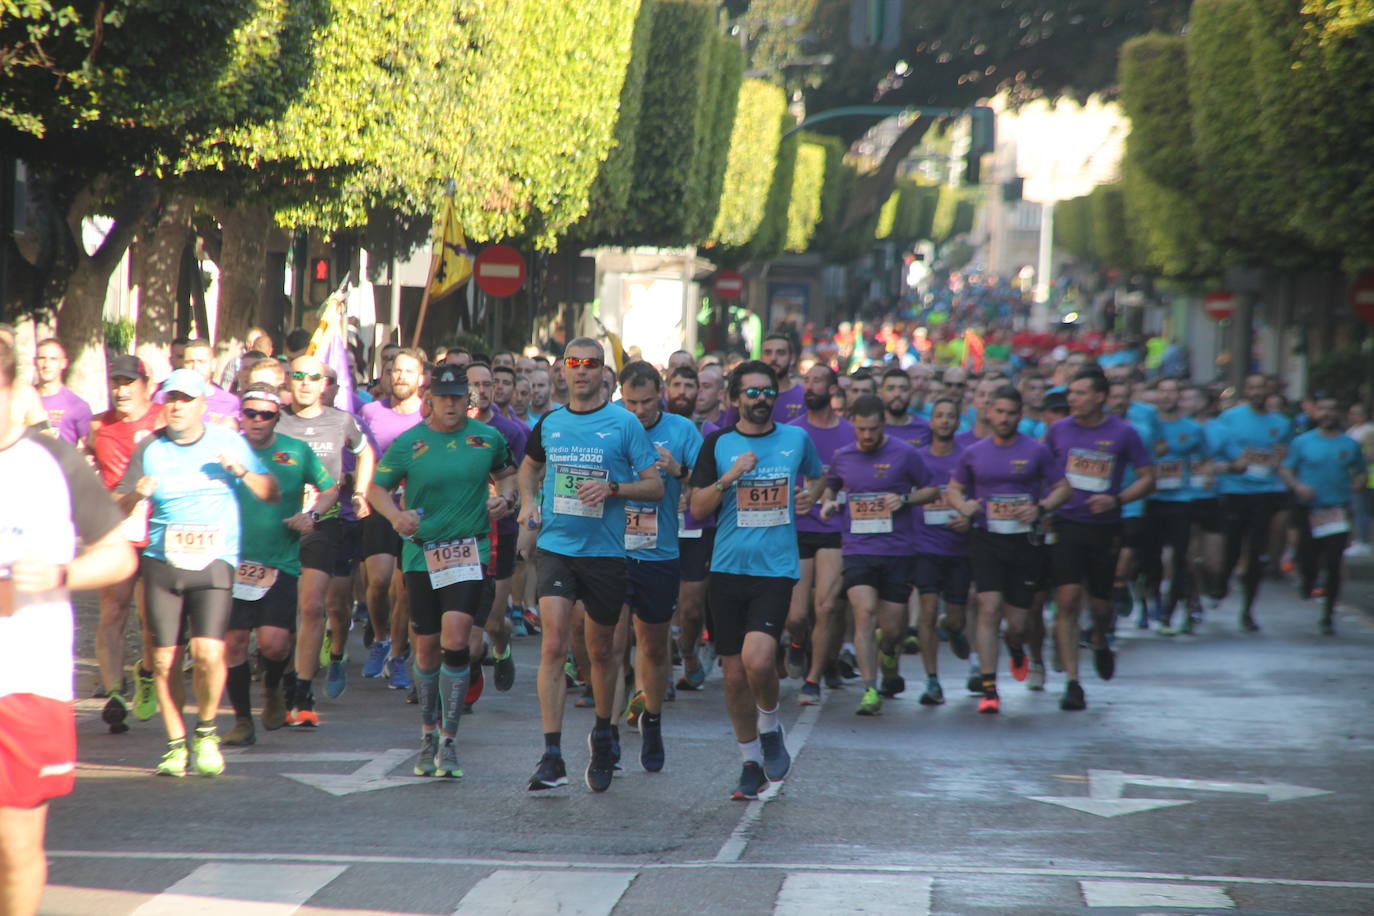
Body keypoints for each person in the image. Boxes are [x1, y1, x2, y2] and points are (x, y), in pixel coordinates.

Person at [0, 336, 136, 916]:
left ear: (10, 386)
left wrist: (58, 572)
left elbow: (118, 556)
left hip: (25, 681)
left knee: (14, 846)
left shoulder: (53, 461)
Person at [114, 369, 279, 775]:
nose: (177, 406)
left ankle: (205, 729)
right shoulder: (150, 447)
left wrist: (242, 472)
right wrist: (137, 493)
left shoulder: (227, 441)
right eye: (171, 398)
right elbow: (116, 505)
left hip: (214, 559)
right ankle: (175, 743)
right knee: (166, 661)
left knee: (208, 653)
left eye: (186, 399)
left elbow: (271, 492)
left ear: (202, 405)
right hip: (162, 561)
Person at [517, 338, 662, 792]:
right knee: (554, 643)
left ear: (604, 372)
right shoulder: (551, 423)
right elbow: (528, 466)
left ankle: (603, 733)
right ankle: (552, 754)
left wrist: (615, 490)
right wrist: (527, 501)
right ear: (562, 370)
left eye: (591, 364)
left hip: (605, 552)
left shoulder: (623, 424)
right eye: (574, 364)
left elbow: (654, 486)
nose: (581, 372)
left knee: (601, 652)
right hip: (557, 547)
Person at [369, 364, 516, 778]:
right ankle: (428, 732)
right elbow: (377, 489)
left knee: (457, 639)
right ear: (429, 398)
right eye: (444, 396)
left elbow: (507, 474)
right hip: (420, 553)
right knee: (427, 646)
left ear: (467, 399)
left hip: (469, 550)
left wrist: (505, 499)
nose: (451, 404)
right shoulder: (409, 443)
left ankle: (450, 740)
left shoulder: (487, 438)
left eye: (458, 397)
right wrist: (396, 516)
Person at [689, 361, 823, 800]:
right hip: (727, 569)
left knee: (760, 660)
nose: (761, 399)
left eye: (768, 392)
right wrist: (730, 478)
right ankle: (750, 763)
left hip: (775, 568)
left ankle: (769, 723)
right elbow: (698, 509)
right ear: (734, 399)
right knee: (732, 676)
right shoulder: (718, 444)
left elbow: (818, 477)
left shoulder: (796, 439)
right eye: (751, 392)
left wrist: (810, 496)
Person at [222, 385, 336, 746]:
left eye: (265, 414)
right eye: (250, 413)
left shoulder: (295, 451)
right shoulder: (223, 449)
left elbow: (331, 488)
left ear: (277, 418)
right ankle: (242, 720)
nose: (256, 420)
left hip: (279, 561)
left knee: (273, 644)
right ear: (241, 414)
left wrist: (311, 514)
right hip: (230, 561)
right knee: (234, 642)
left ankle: (272, 687)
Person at [947, 386, 1070, 714]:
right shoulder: (974, 452)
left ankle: (1017, 649)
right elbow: (954, 489)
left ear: (1019, 415)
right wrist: (965, 506)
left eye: (1011, 413)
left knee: (1019, 624)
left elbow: (1063, 487)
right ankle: (990, 687)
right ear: (989, 413)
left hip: (1024, 543)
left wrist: (1040, 509)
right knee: (988, 608)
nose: (1004, 418)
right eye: (998, 412)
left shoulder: (1036, 451)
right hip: (987, 540)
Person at [819, 395, 936, 716]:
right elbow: (832, 486)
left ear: (883, 425)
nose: (867, 436)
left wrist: (905, 499)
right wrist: (829, 502)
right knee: (864, 614)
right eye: (861, 429)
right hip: (858, 549)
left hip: (898, 551)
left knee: (894, 630)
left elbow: (931, 489)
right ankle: (870, 689)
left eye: (873, 429)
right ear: (853, 424)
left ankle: (888, 653)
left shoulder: (905, 453)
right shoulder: (843, 456)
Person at [1045, 368, 1154, 711]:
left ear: (1099, 397)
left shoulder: (1123, 433)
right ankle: (1073, 683)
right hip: (1065, 524)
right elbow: (1040, 469)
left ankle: (1100, 637)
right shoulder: (1058, 430)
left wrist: (1117, 499)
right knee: (1067, 600)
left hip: (1105, 526)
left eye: (1078, 393)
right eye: (1070, 393)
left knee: (1101, 604)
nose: (1071, 399)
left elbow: (1148, 479)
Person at [276, 355, 374, 721]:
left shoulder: (341, 421)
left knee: (312, 606)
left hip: (323, 521)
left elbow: (365, 454)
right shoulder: (275, 419)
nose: (304, 382)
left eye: (313, 377)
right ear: (289, 380)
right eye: (298, 375)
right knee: (281, 614)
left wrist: (361, 492)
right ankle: (282, 675)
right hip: (278, 525)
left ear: (325, 384)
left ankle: (303, 690)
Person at [615, 361, 701, 771]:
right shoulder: (609, 424)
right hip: (610, 551)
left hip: (658, 552)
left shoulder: (683, 430)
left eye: (647, 402)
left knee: (651, 645)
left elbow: (706, 482)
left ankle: (652, 719)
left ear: (660, 393)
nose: (639, 411)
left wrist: (677, 471)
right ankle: (606, 730)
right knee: (610, 647)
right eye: (631, 402)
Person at [87, 355, 165, 733]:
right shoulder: (98, 425)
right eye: (115, 382)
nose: (121, 389)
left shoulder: (164, 418)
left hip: (157, 526)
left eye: (128, 382)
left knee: (150, 616)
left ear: (144, 385)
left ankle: (146, 673)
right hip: (116, 526)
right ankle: (116, 692)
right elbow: (88, 463)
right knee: (113, 610)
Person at [357, 348, 427, 685]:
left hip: (415, 510)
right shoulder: (369, 411)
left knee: (405, 590)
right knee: (379, 582)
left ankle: (398, 654)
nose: (401, 377)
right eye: (396, 370)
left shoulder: (428, 417)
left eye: (408, 371)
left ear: (420, 379)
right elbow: (356, 453)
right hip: (380, 505)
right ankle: (381, 638)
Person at [784, 365, 852, 705]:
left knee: (825, 608)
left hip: (834, 529)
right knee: (796, 615)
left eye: (817, 381)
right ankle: (797, 641)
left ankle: (813, 679)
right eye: (806, 381)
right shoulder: (792, 432)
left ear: (833, 388)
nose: (810, 387)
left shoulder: (850, 434)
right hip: (798, 528)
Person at [465, 362, 529, 695]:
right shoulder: (449, 429)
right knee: (461, 616)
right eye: (475, 384)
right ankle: (466, 677)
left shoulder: (512, 432)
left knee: (491, 620)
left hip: (499, 534)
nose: (483, 390)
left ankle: (501, 648)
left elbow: (519, 482)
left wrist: (507, 501)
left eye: (488, 384)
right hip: (460, 534)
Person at [1213, 374, 1294, 631]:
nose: (1257, 391)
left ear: (1268, 391)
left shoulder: (1281, 423)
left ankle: (1248, 609)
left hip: (1264, 493)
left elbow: (1285, 455)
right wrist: (1231, 465)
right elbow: (1217, 450)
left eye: (1261, 387)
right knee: (1231, 549)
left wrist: (1281, 460)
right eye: (1252, 387)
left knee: (1257, 552)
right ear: (1245, 390)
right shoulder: (1229, 418)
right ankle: (1222, 581)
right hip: (1234, 491)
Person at [1280, 395, 1366, 635]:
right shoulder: (1302, 442)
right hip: (1308, 509)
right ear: (1316, 413)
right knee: (1307, 557)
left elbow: (1359, 471)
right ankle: (1307, 579)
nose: (1328, 414)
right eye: (1323, 409)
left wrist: (1358, 483)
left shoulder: (1349, 445)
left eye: (1332, 409)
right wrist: (1297, 486)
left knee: (1333, 562)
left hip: (1336, 510)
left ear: (1339, 413)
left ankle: (1328, 614)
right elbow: (1287, 468)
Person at [911, 397, 973, 705]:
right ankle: (932, 680)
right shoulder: (917, 458)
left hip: (958, 549)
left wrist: (968, 517)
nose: (945, 421)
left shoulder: (968, 457)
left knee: (956, 619)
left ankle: (952, 628)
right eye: (940, 416)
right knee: (926, 610)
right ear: (931, 421)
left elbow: (978, 499)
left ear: (959, 422)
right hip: (924, 547)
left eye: (951, 416)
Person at [1140, 378, 1209, 634]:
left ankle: (1169, 611)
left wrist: (1207, 475)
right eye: (1163, 391)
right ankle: (1154, 599)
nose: (1167, 396)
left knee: (1180, 557)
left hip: (1181, 500)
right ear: (1156, 395)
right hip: (1151, 499)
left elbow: (1205, 459)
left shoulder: (1192, 428)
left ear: (1180, 396)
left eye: (1173, 391)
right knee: (1150, 559)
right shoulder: (1146, 426)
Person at [33, 338, 93, 446]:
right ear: (35, 362)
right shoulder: (22, 399)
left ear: (64, 363)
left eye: (53, 359)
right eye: (42, 358)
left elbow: (90, 448)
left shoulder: (78, 405)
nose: (46, 364)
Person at [179, 339, 241, 429]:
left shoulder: (231, 402)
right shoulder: (166, 398)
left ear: (213, 364)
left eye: (201, 362)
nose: (195, 367)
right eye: (189, 362)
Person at [879, 367, 931, 449]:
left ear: (911, 392)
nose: (897, 394)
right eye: (890, 389)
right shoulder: (871, 428)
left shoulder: (925, 429)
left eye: (903, 389)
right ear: (880, 392)